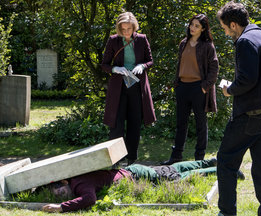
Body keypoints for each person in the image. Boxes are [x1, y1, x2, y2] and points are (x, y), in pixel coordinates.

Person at [216, 2, 261, 216]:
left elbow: (247, 80)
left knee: (226, 160)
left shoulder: (245, 41)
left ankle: (227, 212)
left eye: (225, 28)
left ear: (233, 24)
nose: (226, 33)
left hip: (251, 112)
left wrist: (229, 89)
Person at [42, 158, 218, 212]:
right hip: (132, 170)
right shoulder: (78, 174)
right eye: (58, 195)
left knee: (176, 177)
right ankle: (208, 162)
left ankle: (218, 171)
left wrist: (61, 207)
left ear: (64, 181)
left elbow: (89, 199)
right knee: (171, 168)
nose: (60, 194)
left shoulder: (79, 183)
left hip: (137, 175)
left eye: (59, 190)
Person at [161, 14, 219, 165]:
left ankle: (199, 159)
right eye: (191, 24)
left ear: (203, 29)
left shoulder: (207, 45)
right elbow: (180, 65)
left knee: (201, 124)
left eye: (196, 26)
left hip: (198, 88)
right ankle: (176, 156)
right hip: (182, 87)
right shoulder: (183, 43)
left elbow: (214, 69)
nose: (192, 28)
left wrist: (204, 87)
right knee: (181, 123)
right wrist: (177, 85)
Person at [101, 12, 156, 166]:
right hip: (119, 87)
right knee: (116, 124)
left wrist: (142, 66)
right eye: (123, 29)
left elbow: (150, 61)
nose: (126, 32)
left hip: (137, 86)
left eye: (129, 29)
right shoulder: (113, 40)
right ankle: (116, 160)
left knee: (134, 123)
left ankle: (132, 159)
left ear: (134, 27)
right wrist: (115, 69)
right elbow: (104, 65)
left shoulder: (142, 39)